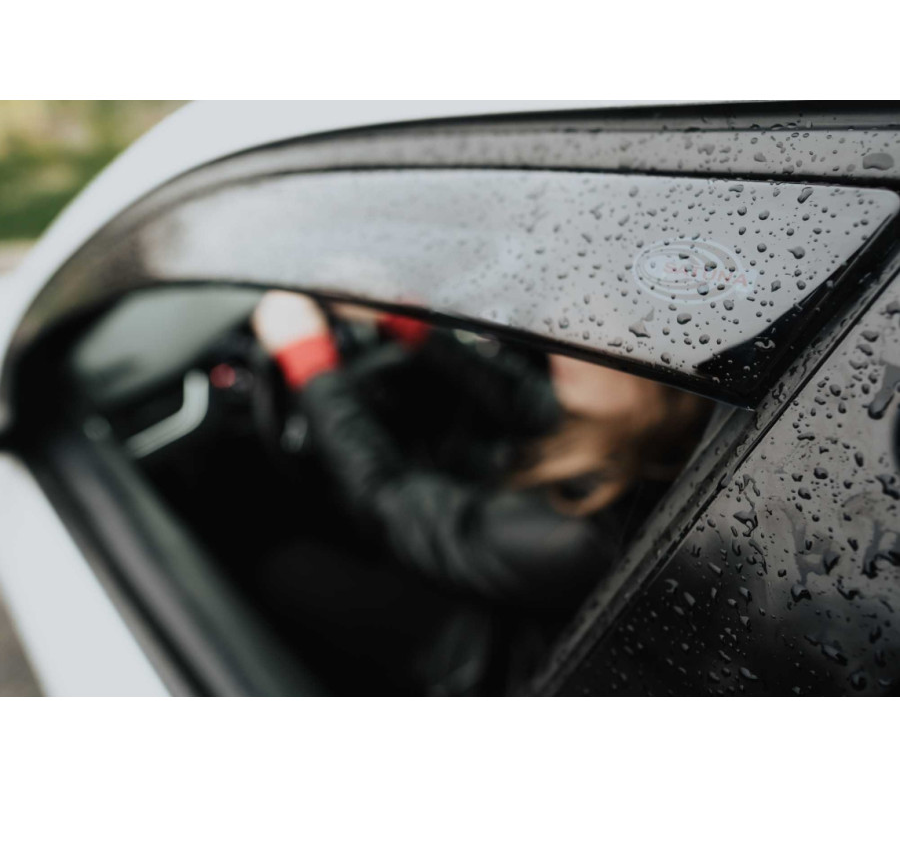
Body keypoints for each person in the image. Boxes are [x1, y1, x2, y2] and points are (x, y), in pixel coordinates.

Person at [251, 291, 711, 694]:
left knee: (287, 568)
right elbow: (522, 398)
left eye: (594, 336)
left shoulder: (580, 537)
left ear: (668, 384)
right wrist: (409, 324)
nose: (561, 336)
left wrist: (312, 368)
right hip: (510, 581)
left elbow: (387, 504)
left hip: (487, 655)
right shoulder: (649, 442)